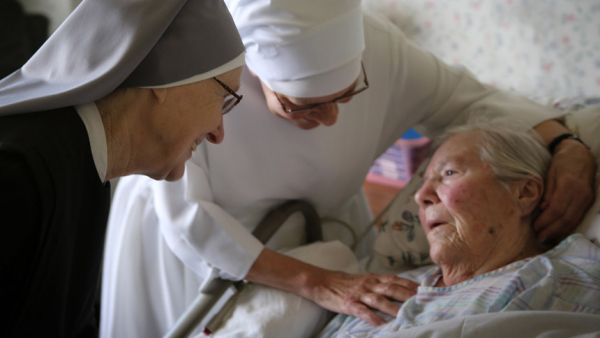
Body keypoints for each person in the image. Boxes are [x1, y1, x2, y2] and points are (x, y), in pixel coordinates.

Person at [101, 0, 597, 336]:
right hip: (200, 243)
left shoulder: (380, 49)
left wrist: (569, 145)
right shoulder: (200, 77)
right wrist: (317, 282)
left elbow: (479, 101)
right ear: (252, 76)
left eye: (347, 95)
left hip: (323, 230)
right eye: (302, 107)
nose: (332, 119)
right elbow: (191, 223)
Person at [0, 0, 246, 337]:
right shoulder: (17, 175)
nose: (219, 132)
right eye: (225, 98)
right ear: (168, 78)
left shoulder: (84, 162)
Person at [318, 121, 600, 337]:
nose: (421, 196)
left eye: (449, 173)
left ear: (524, 193)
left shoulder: (558, 278)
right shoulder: (381, 288)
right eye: (423, 182)